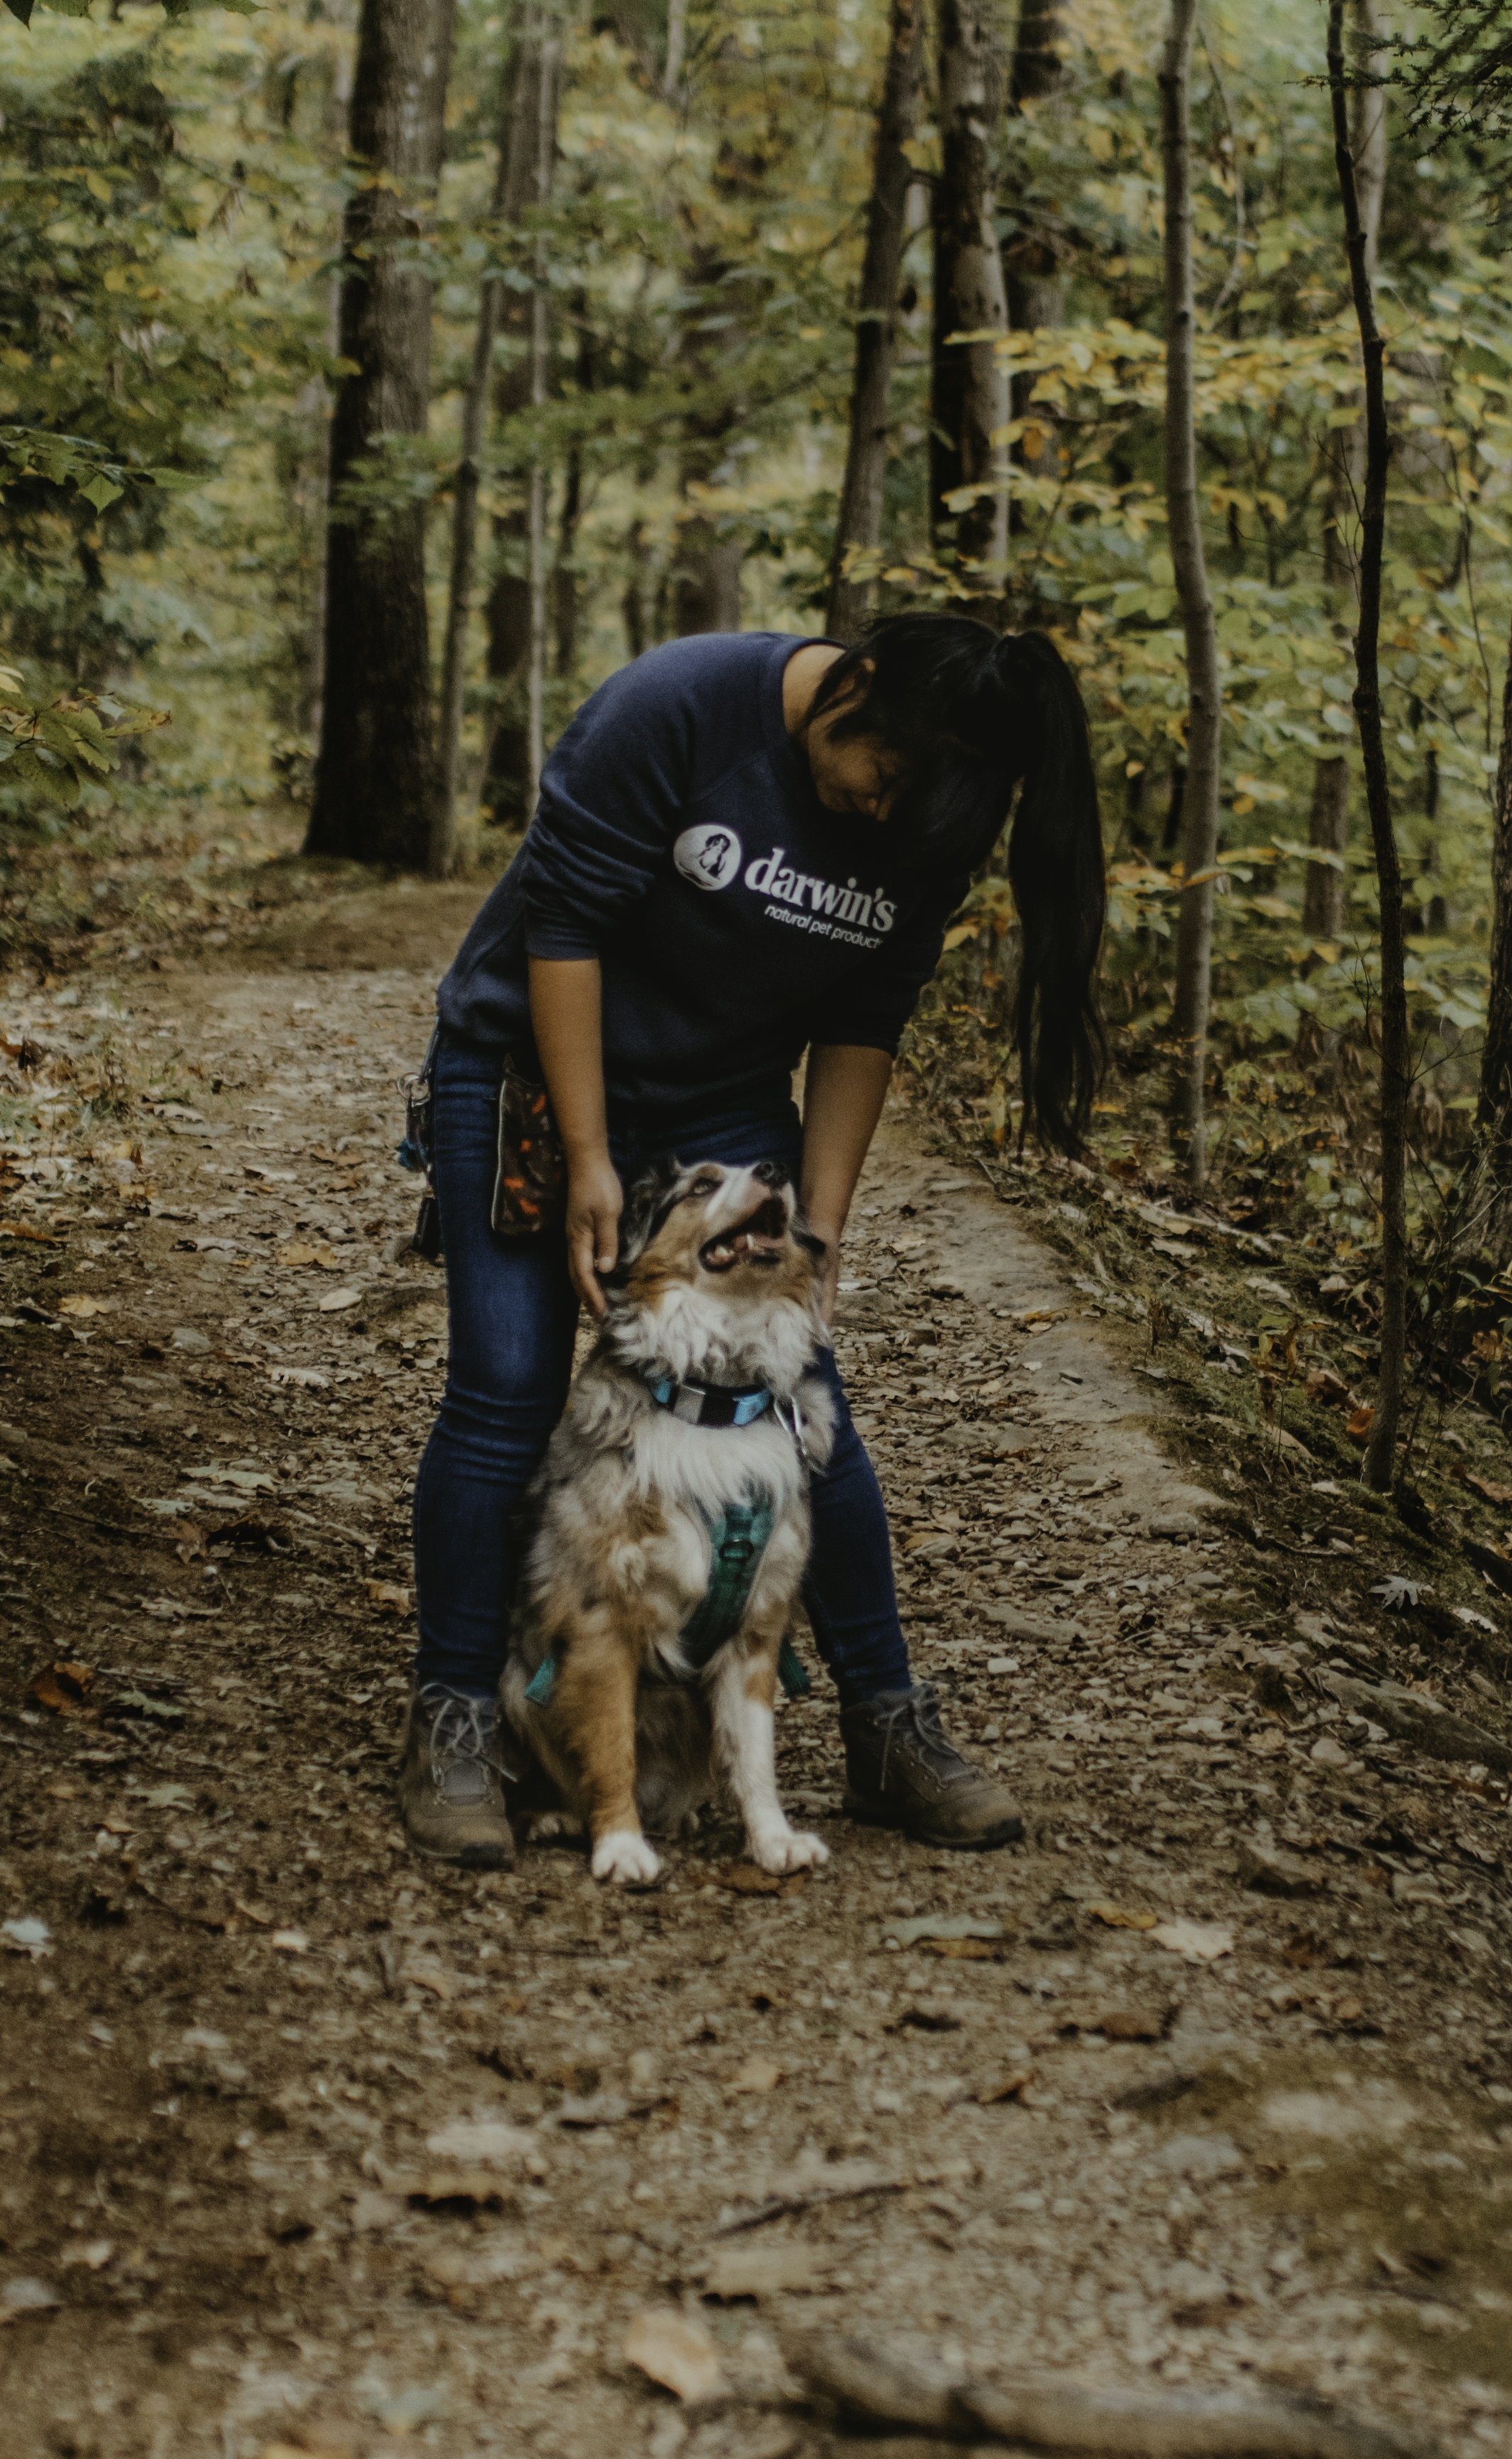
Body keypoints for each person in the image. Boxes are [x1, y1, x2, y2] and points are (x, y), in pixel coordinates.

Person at [400, 613, 1106, 1867]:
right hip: (522, 1067)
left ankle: (888, 1725)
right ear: (861, 689)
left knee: (794, 1403)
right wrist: (590, 1157)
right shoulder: (679, 708)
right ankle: (455, 1715)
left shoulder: (928, 820)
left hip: (724, 1103)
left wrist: (819, 1233)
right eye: (880, 780)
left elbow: (863, 1014)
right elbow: (560, 927)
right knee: (507, 1390)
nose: (882, 818)